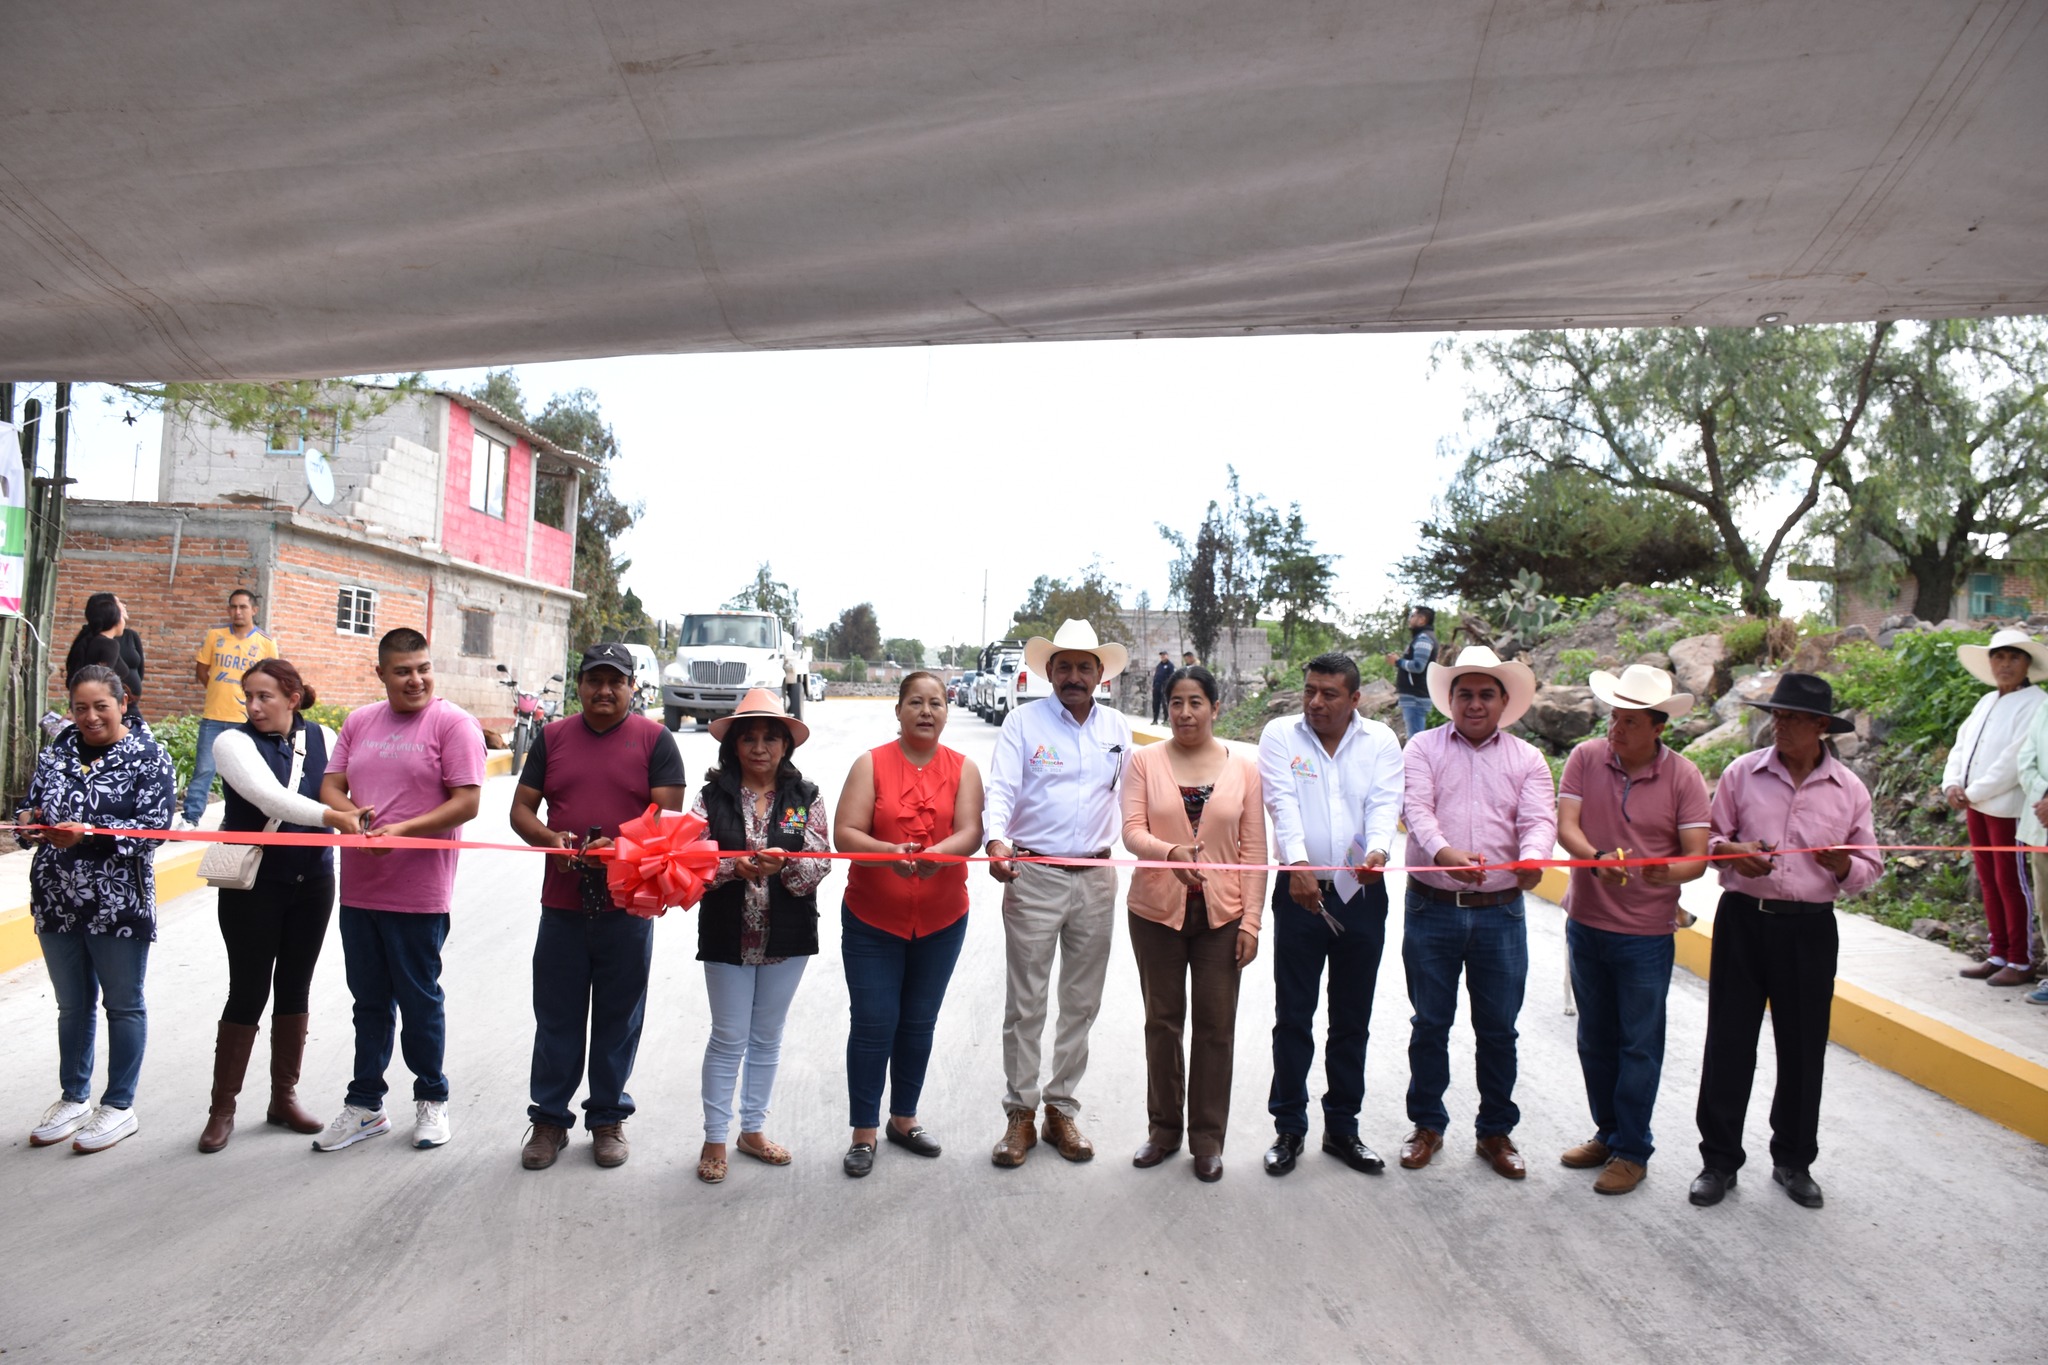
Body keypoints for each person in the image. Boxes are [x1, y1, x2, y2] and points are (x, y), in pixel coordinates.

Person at [1691, 673, 1883, 1211]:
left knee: (1802, 1048)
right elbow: (1706, 839)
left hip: (1810, 928)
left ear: (1821, 726)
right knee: (1729, 1041)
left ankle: (1794, 1161)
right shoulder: (1741, 774)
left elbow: (1870, 866)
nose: (1779, 725)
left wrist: (1845, 864)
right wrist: (1733, 852)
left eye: (1792, 717)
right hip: (1744, 920)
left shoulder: (1849, 789)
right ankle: (1718, 1160)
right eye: (1775, 715)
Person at [510, 643, 686, 1171]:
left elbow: (665, 822)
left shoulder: (656, 740)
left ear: (634, 687)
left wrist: (620, 851)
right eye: (593, 680)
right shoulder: (553, 736)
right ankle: (548, 1121)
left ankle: (607, 1118)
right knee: (557, 1016)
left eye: (616, 681)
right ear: (579, 685)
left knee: (618, 1017)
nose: (604, 691)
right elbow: (521, 809)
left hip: (628, 906)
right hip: (561, 904)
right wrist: (550, 840)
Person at [313, 627, 485, 1152]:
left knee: (419, 1001)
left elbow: (468, 802)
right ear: (382, 673)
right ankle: (365, 1104)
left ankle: (432, 1099)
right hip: (360, 889)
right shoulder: (361, 721)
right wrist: (349, 819)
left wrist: (403, 831)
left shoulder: (452, 724)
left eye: (424, 668)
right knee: (368, 1003)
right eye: (404, 671)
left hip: (419, 893)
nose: (417, 680)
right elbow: (330, 785)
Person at [1398, 645, 1555, 1180]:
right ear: (1450, 699)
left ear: (1504, 701)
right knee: (1430, 1025)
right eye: (1464, 693)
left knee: (1499, 1031)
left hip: (1500, 912)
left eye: (1486, 694)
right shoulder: (1421, 748)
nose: (1474, 703)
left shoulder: (1528, 759)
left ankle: (1495, 1131)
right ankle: (1427, 1126)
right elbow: (1415, 808)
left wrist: (1535, 859)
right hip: (1431, 905)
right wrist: (1443, 853)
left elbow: (1538, 819)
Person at [1553, 665, 1711, 1195]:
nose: (1615, 732)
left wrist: (1667, 871)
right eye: (1613, 719)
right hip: (1587, 922)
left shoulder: (1684, 776)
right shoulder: (1584, 758)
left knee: (1639, 1043)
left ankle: (1631, 1149)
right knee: (1594, 1039)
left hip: (1646, 933)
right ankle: (1607, 1132)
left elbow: (1697, 858)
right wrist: (1596, 858)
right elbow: (1567, 826)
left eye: (1629, 723)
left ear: (1658, 727)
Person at [199, 658, 366, 1153]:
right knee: (247, 991)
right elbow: (270, 799)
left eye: (264, 696)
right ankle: (222, 1109)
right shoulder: (231, 743)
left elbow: (349, 787)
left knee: (295, 988)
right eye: (247, 696)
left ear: (293, 697)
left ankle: (283, 1099)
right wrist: (336, 815)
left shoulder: (325, 737)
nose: (252, 706)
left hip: (313, 878)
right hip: (255, 883)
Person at [983, 619, 1133, 1167]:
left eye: (1084, 667)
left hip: (1096, 875)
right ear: (1048, 671)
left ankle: (1061, 1110)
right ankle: (1019, 1115)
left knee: (1081, 1002)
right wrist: (997, 842)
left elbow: (1136, 799)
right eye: (1064, 666)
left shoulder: (1118, 728)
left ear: (1100, 675)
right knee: (1025, 1004)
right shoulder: (1023, 722)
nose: (1074, 676)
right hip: (1033, 872)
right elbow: (1001, 788)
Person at [1256, 652, 1404, 1178]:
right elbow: (1281, 802)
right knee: (1293, 1017)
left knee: (1351, 1020)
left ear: (1355, 699)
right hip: (1298, 893)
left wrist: (1379, 853)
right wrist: (1296, 864)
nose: (1316, 702)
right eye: (1310, 691)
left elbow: (1386, 804)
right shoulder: (1280, 735)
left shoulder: (1381, 741)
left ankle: (1343, 1127)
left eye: (1330, 694)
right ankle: (1288, 1128)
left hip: (1362, 894)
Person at [832, 671, 985, 1178]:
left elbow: (970, 832)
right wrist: (886, 854)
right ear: (897, 710)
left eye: (936, 703)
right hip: (873, 918)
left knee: (919, 1023)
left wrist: (937, 855)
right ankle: (863, 1131)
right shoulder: (870, 765)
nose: (926, 711)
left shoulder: (964, 769)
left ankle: (903, 1118)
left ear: (947, 710)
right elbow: (845, 833)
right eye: (915, 702)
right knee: (874, 1021)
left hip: (942, 919)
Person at [19, 664, 176, 1153]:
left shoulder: (149, 757)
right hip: (56, 898)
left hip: (117, 903)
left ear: (123, 703)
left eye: (100, 707)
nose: (90, 717)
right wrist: (29, 822)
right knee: (72, 1006)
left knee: (123, 1005)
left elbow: (155, 830)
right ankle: (74, 1097)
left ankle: (119, 1105)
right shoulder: (56, 753)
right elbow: (34, 808)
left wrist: (89, 831)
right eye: (80, 708)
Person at [1121, 664, 1266, 1181]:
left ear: (1215, 707)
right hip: (1155, 913)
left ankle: (1208, 1139)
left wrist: (1251, 922)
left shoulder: (1244, 768)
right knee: (1162, 1022)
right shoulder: (1144, 761)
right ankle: (1163, 1130)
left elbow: (1254, 851)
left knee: (1215, 1027)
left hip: (1223, 916)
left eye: (1195, 702)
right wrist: (1169, 852)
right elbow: (1132, 831)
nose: (1185, 712)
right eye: (1176, 702)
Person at [690, 688, 831, 1184]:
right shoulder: (709, 797)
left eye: (771, 738)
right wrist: (734, 867)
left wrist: (784, 867)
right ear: (733, 747)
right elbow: (691, 860)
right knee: (728, 1037)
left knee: (767, 1037)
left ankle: (752, 1130)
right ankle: (714, 1137)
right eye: (748, 738)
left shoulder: (805, 796)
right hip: (728, 931)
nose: (759, 747)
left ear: (785, 746)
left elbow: (818, 859)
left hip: (787, 935)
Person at [1943, 630, 2048, 986]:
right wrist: (1953, 783)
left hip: (2008, 808)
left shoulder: (2035, 703)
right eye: (1999, 657)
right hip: (1977, 805)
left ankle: (2021, 960)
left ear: (2028, 665)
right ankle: (1998, 952)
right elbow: (1962, 744)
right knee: (1989, 881)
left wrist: (1973, 791)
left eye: (2014, 658)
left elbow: (2014, 760)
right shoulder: (1985, 702)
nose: (2005, 665)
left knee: (2011, 881)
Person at [182, 588, 278, 829]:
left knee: (240, 774)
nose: (237, 612)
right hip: (214, 715)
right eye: (233, 606)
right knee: (204, 769)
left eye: (243, 607)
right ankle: (190, 817)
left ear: (254, 610)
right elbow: (203, 671)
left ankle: (233, 820)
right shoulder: (215, 636)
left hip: (245, 719)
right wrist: (218, 690)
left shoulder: (265, 643)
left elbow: (273, 679)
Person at [2019, 687, 2048, 1007]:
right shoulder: (2045, 710)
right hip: (2043, 826)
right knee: (2047, 903)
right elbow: (2026, 760)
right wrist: (2045, 794)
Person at [64, 594, 143, 706]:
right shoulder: (108, 644)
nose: (123, 606)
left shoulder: (95, 641)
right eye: (118, 604)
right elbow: (100, 681)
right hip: (109, 706)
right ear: (114, 617)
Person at [1387, 606, 1438, 743]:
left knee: (1416, 741)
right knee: (1416, 738)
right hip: (1415, 697)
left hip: (1416, 697)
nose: (1410, 619)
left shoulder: (1424, 639)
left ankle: (1417, 764)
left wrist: (1398, 662)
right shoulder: (1421, 638)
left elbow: (1418, 666)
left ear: (1422, 620)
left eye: (1413, 616)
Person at [1150, 650, 1174, 726]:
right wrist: (1154, 686)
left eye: (1164, 655)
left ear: (1167, 655)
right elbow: (1156, 676)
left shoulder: (1170, 665)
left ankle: (1165, 719)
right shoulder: (1159, 665)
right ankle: (1155, 719)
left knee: (1165, 703)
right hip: (1157, 686)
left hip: (1165, 687)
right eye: (1161, 655)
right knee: (1155, 703)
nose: (1162, 657)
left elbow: (1171, 677)